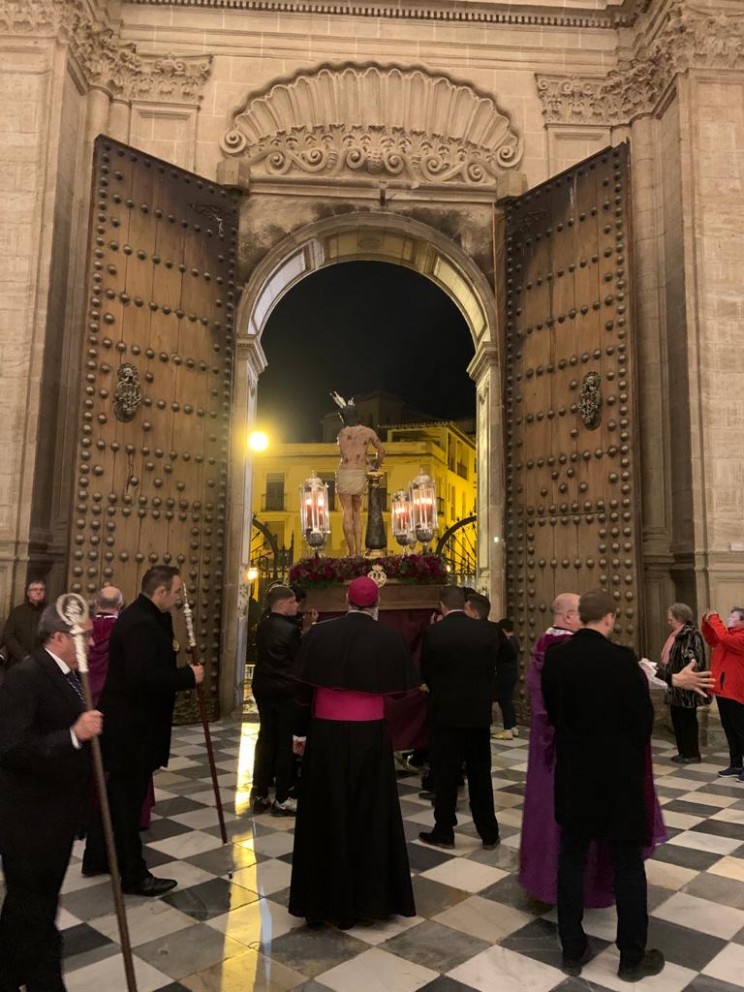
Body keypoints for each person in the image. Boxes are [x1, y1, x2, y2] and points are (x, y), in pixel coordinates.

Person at [542, 589, 666, 982]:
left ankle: (572, 949)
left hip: (575, 773)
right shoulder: (623, 661)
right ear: (609, 619)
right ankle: (631, 958)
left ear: (579, 618)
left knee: (571, 858)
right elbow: (642, 722)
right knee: (628, 864)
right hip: (619, 778)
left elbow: (553, 712)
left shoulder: (556, 659)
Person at [288, 576, 418, 928]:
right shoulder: (389, 638)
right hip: (370, 739)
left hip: (326, 737)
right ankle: (370, 901)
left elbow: (300, 691)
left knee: (326, 812)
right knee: (369, 815)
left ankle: (321, 901)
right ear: (375, 604)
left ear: (347, 600)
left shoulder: (319, 634)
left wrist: (300, 731)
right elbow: (404, 692)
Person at [0, 602, 102, 992]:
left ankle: (43, 978)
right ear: (59, 637)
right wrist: (74, 735)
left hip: (55, 816)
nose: (91, 643)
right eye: (85, 635)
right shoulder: (27, 676)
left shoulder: (69, 676)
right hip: (29, 820)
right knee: (29, 906)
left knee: (39, 905)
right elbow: (10, 748)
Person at [98, 565, 203, 897]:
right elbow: (144, 678)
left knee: (123, 798)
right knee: (127, 802)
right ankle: (133, 875)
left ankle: (106, 859)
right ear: (160, 592)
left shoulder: (150, 616)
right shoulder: (141, 624)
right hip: (132, 729)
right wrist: (189, 676)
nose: (178, 598)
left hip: (138, 726)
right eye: (176, 592)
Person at [418, 585, 502, 850]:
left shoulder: (434, 632)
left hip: (445, 714)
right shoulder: (489, 629)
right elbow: (508, 655)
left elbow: (426, 671)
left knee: (446, 774)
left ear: (442, 606)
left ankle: (444, 831)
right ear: (466, 604)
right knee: (480, 774)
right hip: (477, 714)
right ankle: (488, 832)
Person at [251, 585, 302, 816]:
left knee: (265, 739)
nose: (297, 606)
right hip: (284, 691)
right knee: (284, 744)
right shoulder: (290, 630)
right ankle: (281, 798)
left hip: (263, 688)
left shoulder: (262, 625)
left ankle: (260, 793)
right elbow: (298, 660)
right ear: (282, 604)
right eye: (293, 602)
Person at [331, 392, 384, 557]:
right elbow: (382, 450)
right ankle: (360, 551)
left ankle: (351, 552)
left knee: (346, 512)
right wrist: (375, 464)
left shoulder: (341, 434)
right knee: (357, 512)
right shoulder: (368, 432)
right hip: (359, 473)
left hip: (344, 472)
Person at [657, 603, 709, 763]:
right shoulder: (676, 634)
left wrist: (685, 675)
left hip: (687, 687)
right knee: (677, 720)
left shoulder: (691, 635)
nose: (668, 622)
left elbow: (695, 660)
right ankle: (683, 752)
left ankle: (692, 753)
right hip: (675, 686)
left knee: (687, 721)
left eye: (671, 619)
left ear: (680, 618)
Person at [702, 606, 744, 780]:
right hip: (723, 690)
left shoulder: (740, 637)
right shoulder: (726, 636)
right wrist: (706, 622)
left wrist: (714, 619)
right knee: (730, 729)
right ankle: (735, 765)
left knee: (740, 730)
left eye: (732, 617)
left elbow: (723, 638)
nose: (729, 619)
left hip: (736, 691)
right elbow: (712, 638)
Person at [2, 578, 47, 667]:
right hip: (18, 661)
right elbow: (8, 636)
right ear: (28, 593)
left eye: (41, 590)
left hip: (43, 663)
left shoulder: (49, 612)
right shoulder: (17, 612)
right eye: (34, 589)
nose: (38, 592)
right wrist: (24, 656)